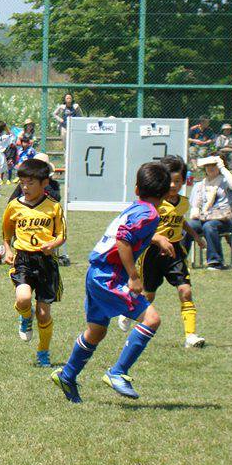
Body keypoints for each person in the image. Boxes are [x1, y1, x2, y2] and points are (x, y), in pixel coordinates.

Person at [51, 162, 173, 403]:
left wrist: (156, 239)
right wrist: (134, 276)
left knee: (96, 331)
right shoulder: (150, 214)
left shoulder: (136, 208)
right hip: (110, 275)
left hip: (95, 273)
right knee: (152, 319)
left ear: (137, 189)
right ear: (168, 192)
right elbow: (124, 240)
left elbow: (128, 234)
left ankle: (67, 375)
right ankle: (118, 372)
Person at [118, 156, 207, 348]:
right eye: (170, 181)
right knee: (148, 294)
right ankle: (128, 312)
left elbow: (180, 220)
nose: (174, 185)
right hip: (153, 253)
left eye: (178, 181)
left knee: (185, 290)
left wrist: (195, 236)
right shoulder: (154, 204)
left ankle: (191, 336)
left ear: (184, 181)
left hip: (175, 252)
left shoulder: (183, 203)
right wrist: (157, 239)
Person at [2, 157, 67, 368]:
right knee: (23, 298)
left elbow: (62, 235)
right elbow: (7, 231)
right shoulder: (14, 206)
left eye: (31, 183)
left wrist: (53, 244)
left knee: (44, 313)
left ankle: (43, 352)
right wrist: (7, 249)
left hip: (46, 262)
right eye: (22, 183)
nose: (25, 187)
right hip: (23, 259)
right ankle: (25, 316)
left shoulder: (54, 207)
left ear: (44, 184)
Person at [187, 154, 232, 270]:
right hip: (204, 218)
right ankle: (180, 259)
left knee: (209, 226)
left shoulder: (226, 182)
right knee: (188, 226)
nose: (210, 168)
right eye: (207, 165)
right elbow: (195, 207)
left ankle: (215, 262)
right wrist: (196, 213)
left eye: (213, 165)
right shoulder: (199, 185)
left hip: (223, 220)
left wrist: (222, 168)